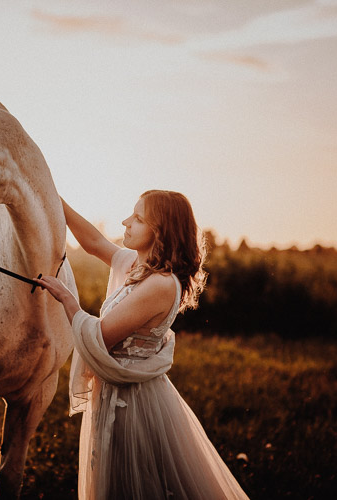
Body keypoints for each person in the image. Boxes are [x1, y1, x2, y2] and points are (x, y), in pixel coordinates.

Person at [36, 191, 249, 500]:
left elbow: (102, 336)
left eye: (137, 219)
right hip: (112, 394)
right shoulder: (135, 267)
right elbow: (94, 242)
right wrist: (53, 197)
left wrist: (68, 299)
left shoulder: (161, 285)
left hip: (133, 404)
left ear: (160, 230)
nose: (126, 222)